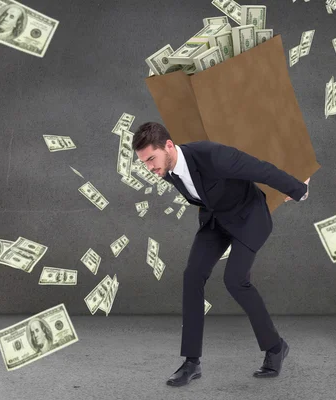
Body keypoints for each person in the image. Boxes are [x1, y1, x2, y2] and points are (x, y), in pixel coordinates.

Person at [133, 122, 310, 387]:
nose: (149, 168)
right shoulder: (167, 168)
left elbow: (260, 168)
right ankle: (191, 363)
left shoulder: (213, 156)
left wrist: (298, 189)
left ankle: (275, 347)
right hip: (216, 220)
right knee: (192, 276)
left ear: (169, 146)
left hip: (249, 217)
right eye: (144, 163)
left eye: (151, 159)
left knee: (235, 280)